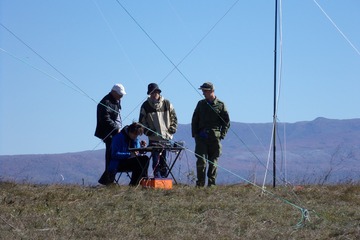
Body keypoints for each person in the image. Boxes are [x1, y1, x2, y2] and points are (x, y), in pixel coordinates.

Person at [191, 82, 230, 187]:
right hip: (201, 137)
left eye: (205, 91)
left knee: (213, 162)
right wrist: (195, 134)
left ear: (211, 91)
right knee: (201, 161)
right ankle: (200, 183)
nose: (203, 93)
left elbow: (226, 122)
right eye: (203, 91)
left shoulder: (220, 105)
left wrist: (222, 135)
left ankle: (211, 184)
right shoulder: (201, 104)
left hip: (214, 138)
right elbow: (195, 119)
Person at [139, 83, 178, 178]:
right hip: (153, 139)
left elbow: (174, 118)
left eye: (155, 92)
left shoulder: (167, 103)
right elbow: (142, 122)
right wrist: (149, 132)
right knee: (155, 159)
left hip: (166, 137)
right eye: (152, 93)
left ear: (159, 92)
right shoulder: (145, 105)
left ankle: (163, 178)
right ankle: (156, 177)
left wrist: (171, 130)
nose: (154, 94)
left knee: (164, 160)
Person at [95, 84, 126, 172]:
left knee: (115, 154)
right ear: (113, 92)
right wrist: (117, 128)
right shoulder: (106, 102)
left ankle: (111, 175)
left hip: (117, 132)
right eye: (120, 94)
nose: (121, 96)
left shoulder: (117, 100)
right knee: (111, 154)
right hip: (109, 133)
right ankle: (108, 177)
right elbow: (105, 119)